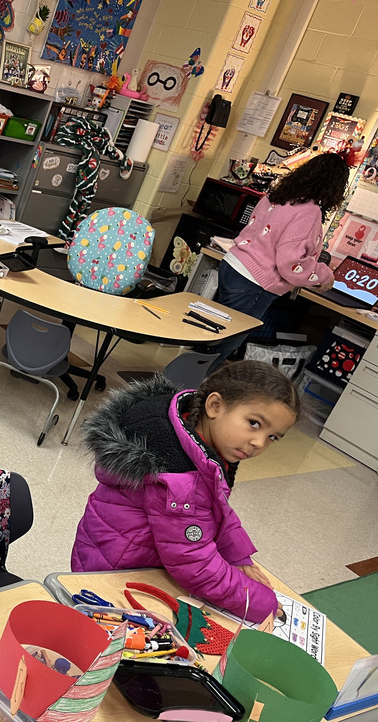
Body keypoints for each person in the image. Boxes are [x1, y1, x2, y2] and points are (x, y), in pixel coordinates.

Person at [71, 361, 299, 623]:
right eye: (255, 424)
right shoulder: (179, 477)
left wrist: (238, 556)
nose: (259, 443)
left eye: (273, 437)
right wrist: (260, 603)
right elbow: (197, 566)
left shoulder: (190, 432)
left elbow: (216, 509)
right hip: (114, 578)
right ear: (215, 406)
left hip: (132, 557)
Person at [208, 151, 350, 373]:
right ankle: (184, 395)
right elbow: (290, 263)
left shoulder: (277, 196)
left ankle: (180, 389)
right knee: (222, 347)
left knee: (212, 336)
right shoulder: (309, 211)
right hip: (254, 283)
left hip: (233, 265)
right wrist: (322, 274)